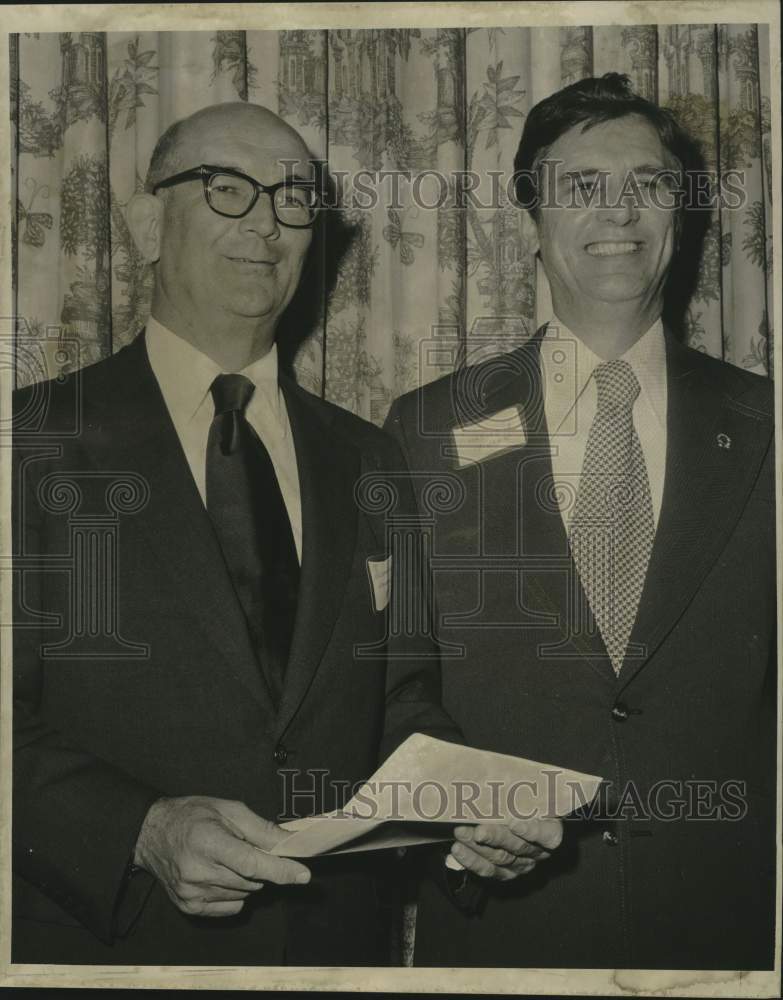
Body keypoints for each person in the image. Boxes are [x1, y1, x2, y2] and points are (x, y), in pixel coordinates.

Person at [11, 102, 561, 967]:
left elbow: (402, 699)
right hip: (108, 949)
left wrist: (467, 809)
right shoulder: (32, 441)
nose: (266, 222)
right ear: (145, 219)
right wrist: (140, 828)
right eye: (228, 189)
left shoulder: (368, 455)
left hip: (336, 952)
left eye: (294, 197)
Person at [386, 74, 776, 970]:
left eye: (646, 182)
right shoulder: (426, 428)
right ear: (530, 217)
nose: (621, 211)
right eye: (582, 187)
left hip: (730, 927)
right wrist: (461, 803)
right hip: (509, 931)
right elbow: (394, 676)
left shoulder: (766, 426)